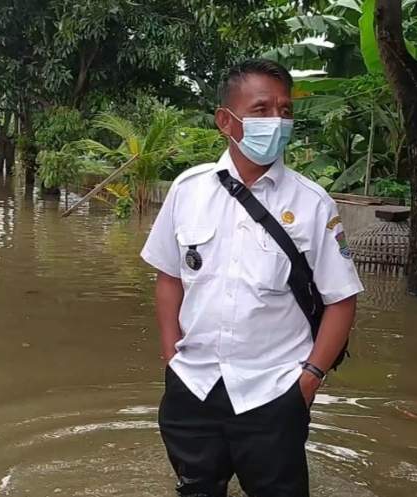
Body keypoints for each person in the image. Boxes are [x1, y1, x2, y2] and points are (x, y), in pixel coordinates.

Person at [140, 59, 363, 497]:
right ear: (227, 120)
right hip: (194, 386)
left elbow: (342, 300)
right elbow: (169, 277)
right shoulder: (188, 191)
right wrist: (172, 358)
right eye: (261, 109)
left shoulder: (313, 203)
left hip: (274, 391)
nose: (276, 122)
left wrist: (309, 380)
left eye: (285, 110)